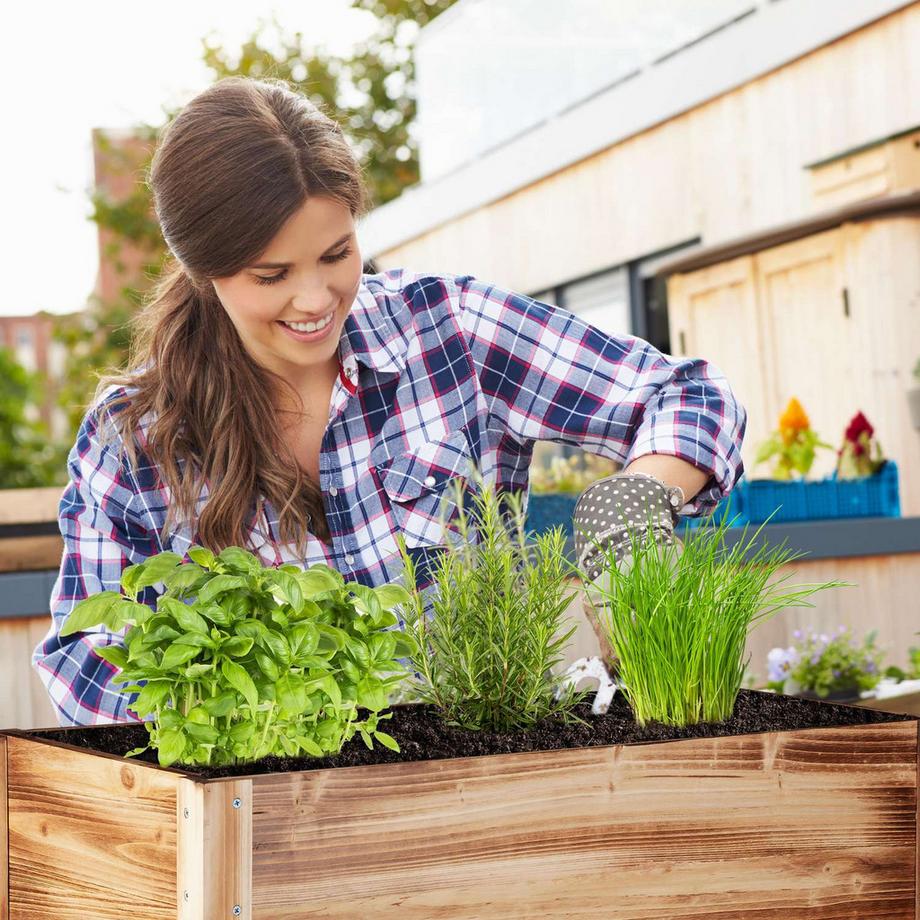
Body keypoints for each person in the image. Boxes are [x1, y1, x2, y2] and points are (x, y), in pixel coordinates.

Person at [32, 76, 747, 727]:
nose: (314, 300)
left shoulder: (449, 332)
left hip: (473, 788)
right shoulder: (136, 438)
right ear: (201, 269)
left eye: (338, 254)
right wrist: (246, 721)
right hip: (266, 825)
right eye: (271, 274)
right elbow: (82, 657)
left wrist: (635, 499)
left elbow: (688, 394)